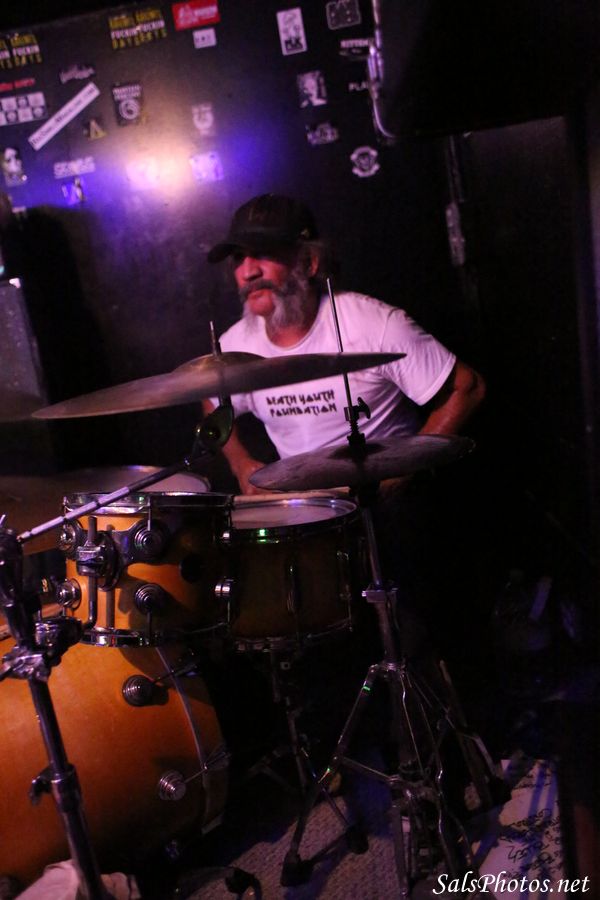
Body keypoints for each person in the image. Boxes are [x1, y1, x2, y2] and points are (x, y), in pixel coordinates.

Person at [203, 193, 485, 496]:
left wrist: (401, 478)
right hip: (308, 507)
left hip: (389, 503)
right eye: (239, 258)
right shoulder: (236, 346)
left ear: (309, 263)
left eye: (263, 252)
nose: (248, 272)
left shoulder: (373, 323)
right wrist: (241, 464)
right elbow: (212, 403)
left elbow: (467, 387)